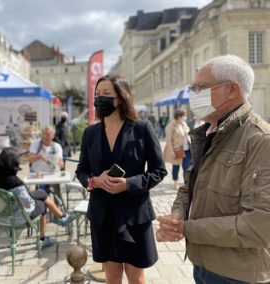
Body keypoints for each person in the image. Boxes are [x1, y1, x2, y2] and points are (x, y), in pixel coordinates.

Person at [156, 54, 270, 283]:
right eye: (193, 87)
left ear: (232, 89)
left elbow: (258, 225)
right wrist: (177, 216)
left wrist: (187, 229)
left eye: (201, 87)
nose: (193, 94)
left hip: (238, 274)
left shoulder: (260, 140)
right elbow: (189, 187)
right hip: (202, 263)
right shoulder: (208, 133)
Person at [76, 75, 167, 284]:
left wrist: (129, 184)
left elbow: (159, 170)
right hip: (103, 215)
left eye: (106, 94)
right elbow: (82, 170)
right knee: (112, 275)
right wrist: (94, 181)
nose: (100, 98)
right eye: (97, 94)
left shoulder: (142, 128)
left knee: (136, 276)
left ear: (120, 98)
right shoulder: (90, 133)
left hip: (134, 215)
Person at [0, 147, 75, 249]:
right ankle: (43, 238)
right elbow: (28, 204)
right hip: (15, 218)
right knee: (42, 203)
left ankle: (61, 217)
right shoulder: (16, 183)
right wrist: (32, 198)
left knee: (41, 193)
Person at [163, 108, 191, 190]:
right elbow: (168, 140)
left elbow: (188, 134)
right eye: (183, 116)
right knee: (176, 166)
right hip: (177, 150)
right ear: (178, 116)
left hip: (187, 149)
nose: (184, 117)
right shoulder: (170, 126)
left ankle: (187, 183)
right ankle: (175, 182)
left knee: (187, 167)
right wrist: (171, 151)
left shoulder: (183, 124)